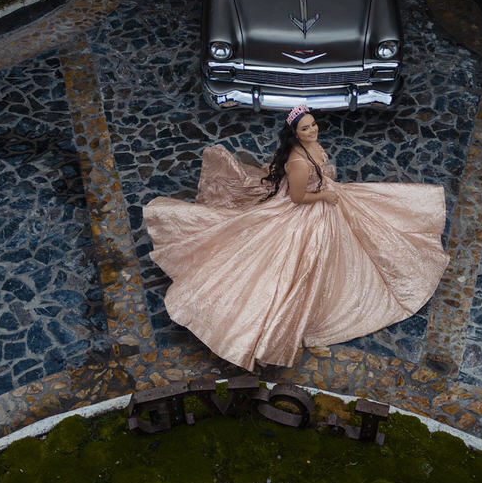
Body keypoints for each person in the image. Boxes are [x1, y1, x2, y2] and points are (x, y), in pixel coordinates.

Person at [142, 104, 449, 371]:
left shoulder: (311, 149)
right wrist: (326, 194)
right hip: (307, 210)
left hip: (328, 198)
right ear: (295, 133)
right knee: (299, 263)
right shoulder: (298, 163)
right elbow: (299, 198)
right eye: (306, 128)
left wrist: (328, 188)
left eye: (313, 124)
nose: (313, 130)